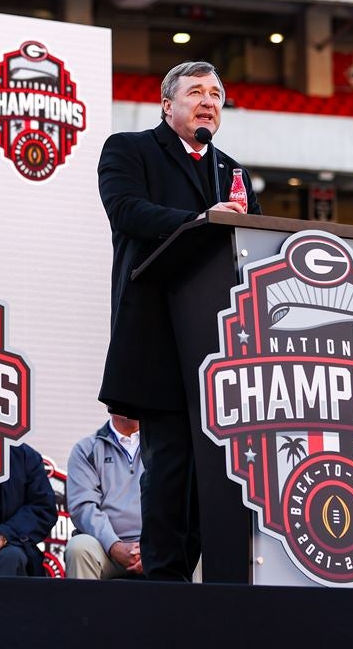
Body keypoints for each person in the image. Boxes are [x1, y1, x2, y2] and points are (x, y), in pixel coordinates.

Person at [96, 61, 260, 582]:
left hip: (221, 347)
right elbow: (127, 211)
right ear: (168, 105)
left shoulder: (233, 171)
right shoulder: (129, 149)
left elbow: (250, 244)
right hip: (158, 337)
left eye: (216, 93)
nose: (208, 101)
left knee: (216, 476)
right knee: (169, 468)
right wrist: (202, 222)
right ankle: (165, 587)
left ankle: (215, 590)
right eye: (196, 92)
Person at [64, 415, 144, 579]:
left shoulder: (163, 446)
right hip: (105, 549)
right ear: (110, 404)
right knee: (79, 547)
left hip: (157, 548)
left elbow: (175, 503)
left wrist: (152, 548)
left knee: (192, 549)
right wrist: (114, 545)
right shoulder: (87, 448)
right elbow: (83, 507)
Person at [0, 441, 57, 576]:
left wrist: (4, 536)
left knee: (12, 557)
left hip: (6, 543)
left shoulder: (25, 456)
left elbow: (43, 508)